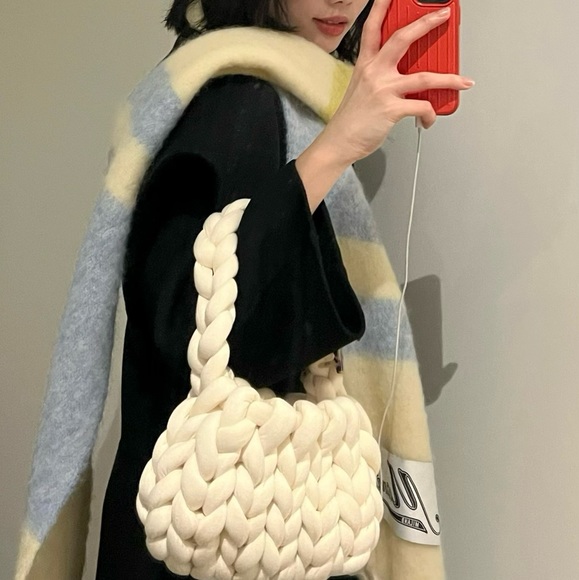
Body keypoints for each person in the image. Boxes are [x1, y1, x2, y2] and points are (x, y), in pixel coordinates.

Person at [94, 0, 474, 578]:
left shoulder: (260, 92)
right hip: (227, 536)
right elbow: (192, 328)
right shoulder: (238, 101)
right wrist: (334, 148)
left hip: (228, 523)